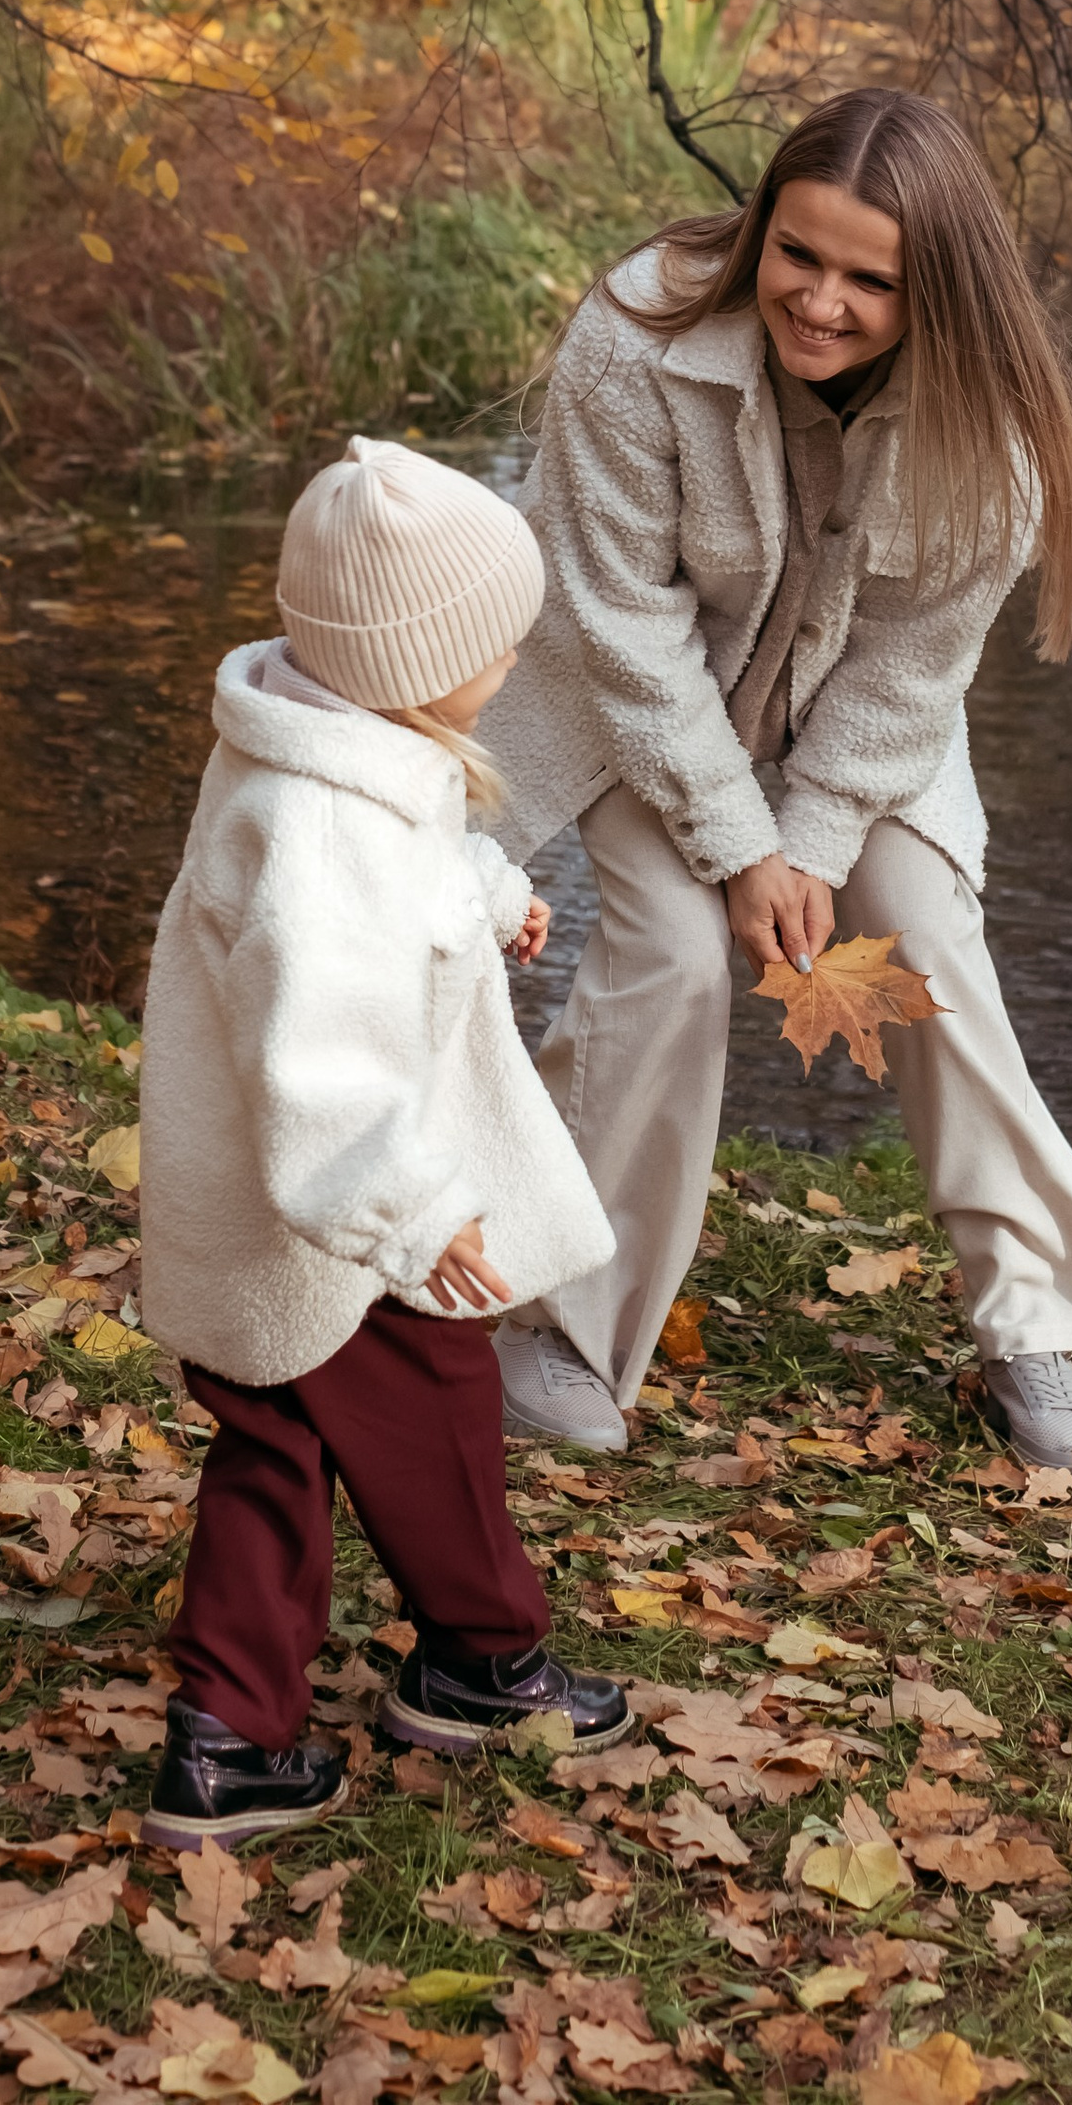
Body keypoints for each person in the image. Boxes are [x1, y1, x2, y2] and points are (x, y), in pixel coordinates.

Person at [482, 86, 1072, 1466]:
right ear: (762, 231)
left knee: (924, 941)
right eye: (800, 254)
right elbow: (623, 624)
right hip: (640, 702)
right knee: (675, 955)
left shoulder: (1002, 433)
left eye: (874, 279)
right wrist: (742, 852)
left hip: (859, 733)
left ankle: (1025, 1324)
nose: (823, 303)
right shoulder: (637, 335)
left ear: (943, 289)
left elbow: (914, 671)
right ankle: (559, 1315)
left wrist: (811, 833)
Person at [135, 434, 628, 1850]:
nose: (513, 664)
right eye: (497, 645)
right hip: (345, 1224)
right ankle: (484, 1663)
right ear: (416, 661)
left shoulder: (315, 740)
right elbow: (324, 1053)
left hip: (262, 1218)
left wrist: (484, 893)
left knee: (273, 1457)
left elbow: (404, 862)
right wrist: (412, 1217)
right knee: (445, 1428)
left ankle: (225, 1742)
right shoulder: (320, 832)